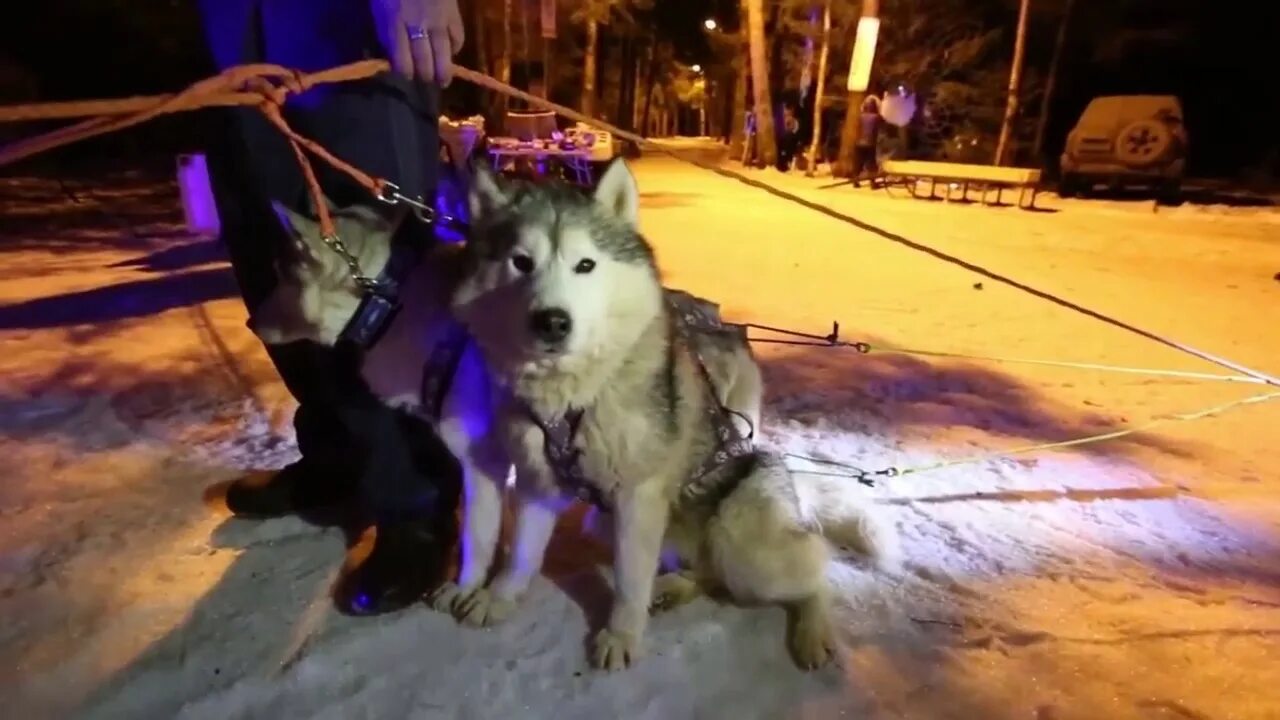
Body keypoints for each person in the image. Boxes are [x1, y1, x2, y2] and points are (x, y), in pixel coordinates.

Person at [196, 0, 465, 616]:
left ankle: (416, 496)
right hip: (233, 29)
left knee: (378, 266)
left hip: (352, 24)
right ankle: (339, 452)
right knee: (276, 260)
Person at [851, 95, 882, 188]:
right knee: (871, 163)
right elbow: (877, 130)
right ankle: (872, 183)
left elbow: (857, 129)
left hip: (859, 143)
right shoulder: (876, 117)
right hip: (870, 143)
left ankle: (855, 181)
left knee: (858, 162)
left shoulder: (860, 117)